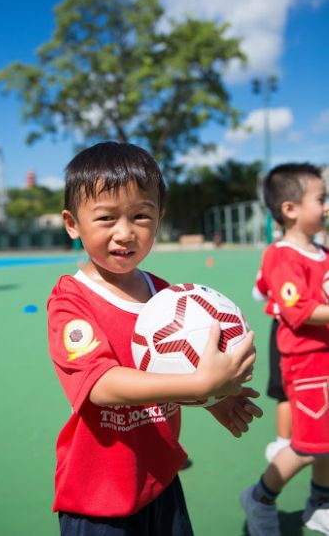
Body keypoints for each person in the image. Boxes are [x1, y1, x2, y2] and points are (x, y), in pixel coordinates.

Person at [47, 141, 262, 536]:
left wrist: (207, 398)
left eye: (141, 216)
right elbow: (101, 384)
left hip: (160, 478)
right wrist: (199, 384)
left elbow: (171, 370)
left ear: (159, 218)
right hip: (100, 498)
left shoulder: (169, 296)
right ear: (72, 223)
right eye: (107, 218)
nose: (125, 233)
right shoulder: (70, 300)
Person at [240, 162, 329, 536]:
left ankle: (320, 502)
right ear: (290, 208)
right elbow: (298, 311)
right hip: (306, 362)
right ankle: (261, 497)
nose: (326, 206)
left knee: (327, 440)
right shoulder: (281, 256)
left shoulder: (321, 251)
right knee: (307, 445)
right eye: (320, 199)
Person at [252, 249, 292, 462]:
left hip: (285, 329)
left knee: (284, 390)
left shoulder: (275, 253)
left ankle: (283, 442)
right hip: (318, 333)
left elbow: (258, 292)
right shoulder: (323, 253)